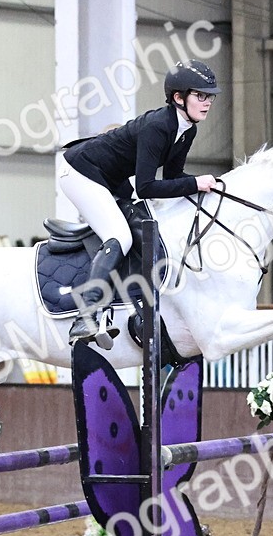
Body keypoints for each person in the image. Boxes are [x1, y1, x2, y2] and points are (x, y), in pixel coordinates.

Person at [59, 59, 221, 347]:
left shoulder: (187, 129)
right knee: (119, 235)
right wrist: (195, 184)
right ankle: (85, 316)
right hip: (80, 171)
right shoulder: (159, 126)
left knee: (142, 228)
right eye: (200, 95)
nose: (207, 102)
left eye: (209, 96)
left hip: (111, 177)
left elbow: (173, 176)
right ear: (178, 97)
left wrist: (204, 186)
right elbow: (146, 187)